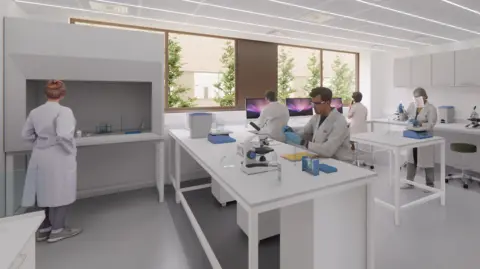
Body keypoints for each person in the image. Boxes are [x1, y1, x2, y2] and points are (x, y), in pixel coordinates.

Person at [21, 80, 82, 243]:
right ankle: (58, 230)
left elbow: (25, 135)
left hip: (39, 156)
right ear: (63, 94)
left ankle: (44, 228)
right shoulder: (64, 111)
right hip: (58, 156)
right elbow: (63, 135)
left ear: (45, 93)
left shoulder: (35, 112)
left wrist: (42, 141)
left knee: (43, 191)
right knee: (61, 191)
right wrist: (71, 150)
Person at [283, 87, 352, 161]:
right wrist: (292, 132)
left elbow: (328, 150)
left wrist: (303, 142)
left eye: (317, 103)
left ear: (328, 102)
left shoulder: (339, 121)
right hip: (321, 159)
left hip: (340, 163)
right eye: (312, 103)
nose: (313, 107)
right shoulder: (316, 117)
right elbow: (305, 132)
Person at [401, 87, 437, 189]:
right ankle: (409, 182)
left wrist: (420, 123)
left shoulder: (431, 108)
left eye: (419, 98)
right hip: (413, 135)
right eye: (415, 98)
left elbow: (431, 124)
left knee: (427, 160)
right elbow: (405, 117)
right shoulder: (412, 105)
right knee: (410, 159)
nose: (417, 100)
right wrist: (402, 112)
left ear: (425, 97)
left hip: (425, 135)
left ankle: (430, 185)